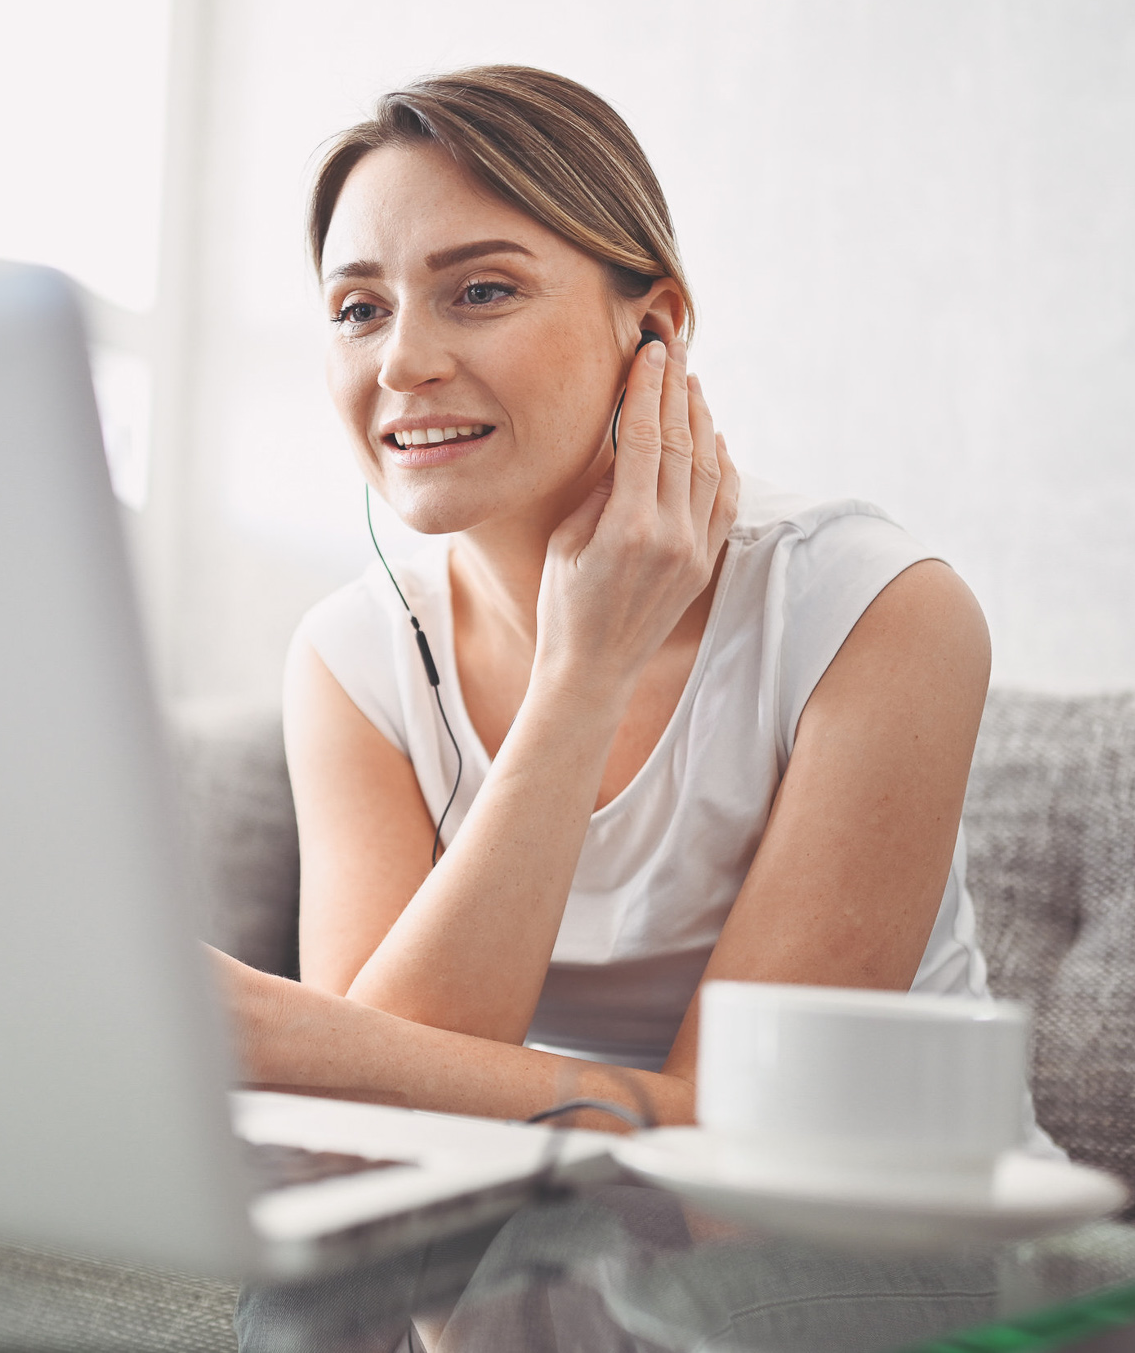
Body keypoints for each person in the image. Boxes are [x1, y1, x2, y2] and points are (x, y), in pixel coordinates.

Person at [209, 65, 1003, 1135]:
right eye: (358, 309)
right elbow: (373, 1122)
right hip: (530, 1240)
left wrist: (585, 666)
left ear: (656, 325)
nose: (400, 361)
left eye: (480, 290)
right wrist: (578, 677)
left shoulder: (875, 613)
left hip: (864, 1253)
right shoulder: (351, 657)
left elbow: (754, 1141)